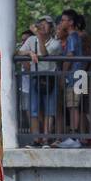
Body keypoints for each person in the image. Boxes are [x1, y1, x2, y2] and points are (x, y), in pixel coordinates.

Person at [20, 15, 62, 143]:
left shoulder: (56, 43)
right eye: (40, 23)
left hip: (50, 78)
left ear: (51, 27)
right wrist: (30, 53)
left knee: (49, 110)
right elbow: (19, 52)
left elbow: (44, 53)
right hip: (35, 77)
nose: (42, 26)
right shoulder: (31, 40)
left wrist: (38, 36)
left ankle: (46, 138)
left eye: (46, 24)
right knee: (33, 109)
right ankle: (36, 138)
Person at [57, 10, 85, 147]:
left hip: (75, 75)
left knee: (73, 106)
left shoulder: (72, 37)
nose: (61, 23)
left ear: (70, 22)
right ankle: (75, 136)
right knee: (74, 105)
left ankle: (74, 137)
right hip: (79, 74)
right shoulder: (75, 36)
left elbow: (70, 55)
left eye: (63, 20)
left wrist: (63, 73)